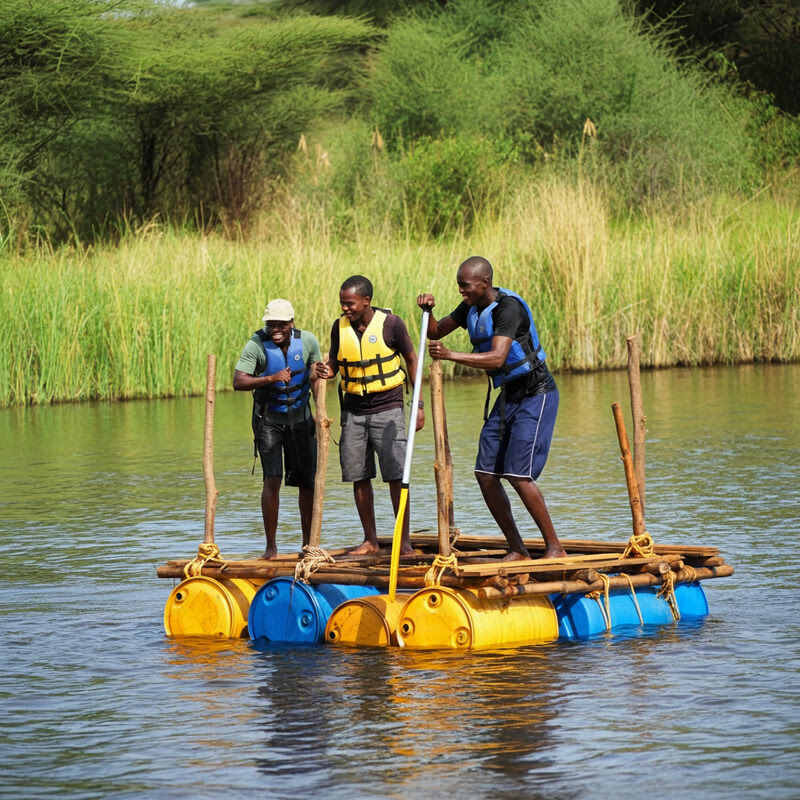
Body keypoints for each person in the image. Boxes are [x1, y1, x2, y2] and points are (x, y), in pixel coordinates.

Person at [417, 256, 566, 561]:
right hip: (507, 395)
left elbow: (498, 358)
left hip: (536, 393)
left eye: (466, 285)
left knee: (518, 475)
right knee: (485, 473)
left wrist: (450, 355)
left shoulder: (508, 308)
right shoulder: (471, 306)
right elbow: (435, 332)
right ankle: (517, 548)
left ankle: (555, 547)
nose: (461, 291)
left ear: (484, 283)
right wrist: (427, 311)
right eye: (459, 285)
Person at [316, 275, 424, 555]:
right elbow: (335, 363)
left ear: (366, 301)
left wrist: (419, 405)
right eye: (342, 304)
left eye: (350, 303)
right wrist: (326, 370)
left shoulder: (392, 325)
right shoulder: (338, 328)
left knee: (396, 476)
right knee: (358, 475)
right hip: (353, 412)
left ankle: (403, 541)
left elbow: (412, 359)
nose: (345, 308)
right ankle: (370, 541)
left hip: (388, 409)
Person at [233, 298, 323, 559]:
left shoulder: (307, 341)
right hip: (269, 421)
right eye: (271, 324)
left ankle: (309, 545)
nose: (276, 329)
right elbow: (238, 380)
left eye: (281, 324)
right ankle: (271, 547)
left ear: (291, 323)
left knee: (306, 482)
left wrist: (319, 408)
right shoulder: (256, 345)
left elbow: (315, 375)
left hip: (301, 420)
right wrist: (271, 378)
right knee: (272, 479)